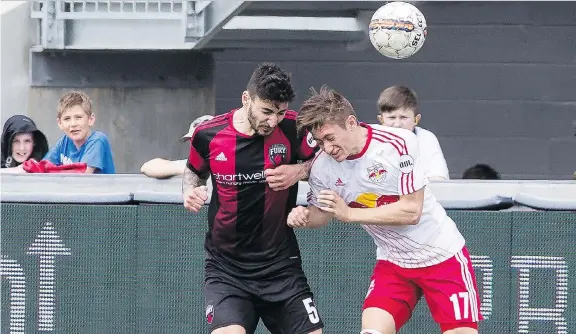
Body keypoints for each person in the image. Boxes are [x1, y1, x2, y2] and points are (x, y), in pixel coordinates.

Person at [290, 86, 482, 334]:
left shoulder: (400, 143)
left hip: (441, 257)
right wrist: (305, 217)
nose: (326, 148)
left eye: (330, 138)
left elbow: (411, 211)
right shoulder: (322, 168)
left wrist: (349, 214)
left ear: (351, 123)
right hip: (393, 263)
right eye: (319, 142)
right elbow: (323, 214)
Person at [182, 63, 323, 334]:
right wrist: (190, 192)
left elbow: (325, 160)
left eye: (280, 113)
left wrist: (300, 170)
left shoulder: (294, 128)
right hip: (227, 269)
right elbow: (192, 173)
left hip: (280, 265)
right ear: (246, 99)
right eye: (267, 111)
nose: (273, 121)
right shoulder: (208, 135)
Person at [377, 85, 449, 181]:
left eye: (404, 117)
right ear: (381, 120)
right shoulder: (371, 141)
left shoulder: (426, 139)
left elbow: (438, 179)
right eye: (391, 118)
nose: (397, 124)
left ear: (416, 119)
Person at [43, 91, 115, 174]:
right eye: (67, 119)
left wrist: (53, 171)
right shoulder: (63, 142)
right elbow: (42, 169)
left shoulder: (98, 140)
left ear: (90, 120)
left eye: (78, 117)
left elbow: (82, 176)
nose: (73, 124)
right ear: (60, 123)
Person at [140, 115, 214, 179]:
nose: (193, 145)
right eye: (191, 140)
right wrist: (189, 170)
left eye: (199, 140)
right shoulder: (193, 164)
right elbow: (147, 167)